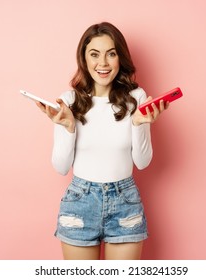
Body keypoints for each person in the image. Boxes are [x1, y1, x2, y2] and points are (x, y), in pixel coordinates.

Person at [36, 22, 169, 260]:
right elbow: (61, 167)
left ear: (121, 58)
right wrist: (68, 127)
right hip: (80, 201)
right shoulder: (69, 100)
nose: (103, 64)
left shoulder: (135, 98)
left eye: (111, 54)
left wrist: (139, 123)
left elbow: (143, 162)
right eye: (94, 54)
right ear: (84, 59)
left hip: (125, 202)